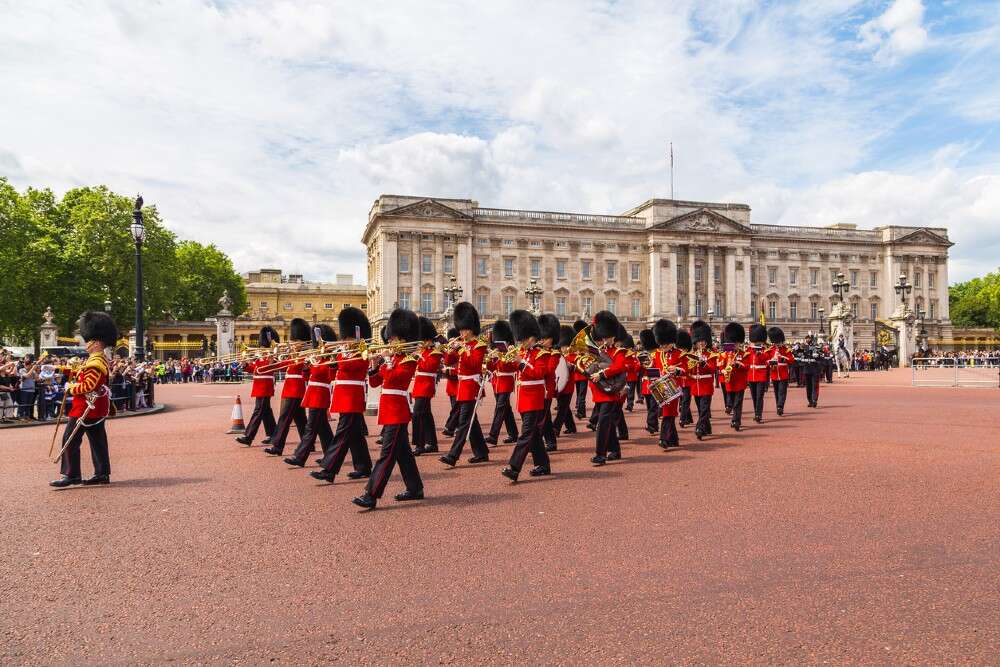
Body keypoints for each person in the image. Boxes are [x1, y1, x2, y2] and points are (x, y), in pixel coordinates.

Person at [351, 308, 424, 510]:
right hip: (390, 409)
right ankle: (415, 488)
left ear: (402, 339)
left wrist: (387, 361)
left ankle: (371, 494)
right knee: (403, 454)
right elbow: (376, 383)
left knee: (387, 455)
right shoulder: (393, 360)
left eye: (393, 339)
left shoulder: (409, 360)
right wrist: (375, 365)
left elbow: (395, 378)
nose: (390, 343)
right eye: (390, 339)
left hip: (397, 411)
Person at [50, 312, 117, 487]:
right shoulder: (97, 359)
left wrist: (70, 388)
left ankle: (71, 475)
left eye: (88, 341)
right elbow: (81, 372)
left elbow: (88, 385)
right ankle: (102, 473)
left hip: (86, 408)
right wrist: (61, 369)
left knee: (70, 439)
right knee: (97, 441)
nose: (86, 344)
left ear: (95, 342)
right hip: (96, 408)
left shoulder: (95, 363)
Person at [308, 308, 374, 479]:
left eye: (347, 338)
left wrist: (337, 356)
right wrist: (331, 361)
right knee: (355, 435)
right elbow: (333, 375)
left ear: (356, 336)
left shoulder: (362, 352)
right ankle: (364, 467)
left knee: (342, 434)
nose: (343, 341)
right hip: (343, 396)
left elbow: (350, 367)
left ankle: (329, 470)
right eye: (343, 338)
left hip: (352, 397)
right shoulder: (345, 353)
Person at [501, 310, 552, 482]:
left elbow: (538, 373)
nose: (521, 342)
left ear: (531, 338)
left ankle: (514, 468)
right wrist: (503, 360)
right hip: (523, 399)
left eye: (523, 339)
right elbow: (509, 369)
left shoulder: (542, 354)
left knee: (526, 434)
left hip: (534, 399)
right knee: (534, 435)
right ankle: (543, 464)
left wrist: (521, 363)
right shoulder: (523, 353)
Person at [440, 302, 490, 467]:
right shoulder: (463, 344)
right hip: (462, 387)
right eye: (460, 329)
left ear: (472, 328)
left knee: (464, 422)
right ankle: (481, 452)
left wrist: (462, 349)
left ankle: (453, 455)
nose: (462, 332)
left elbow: (474, 364)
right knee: (470, 421)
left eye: (465, 329)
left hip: (472, 387)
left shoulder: (479, 345)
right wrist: (451, 350)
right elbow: (448, 362)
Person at [262, 318, 311, 456]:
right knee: (301, 420)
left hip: (296, 389)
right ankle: (309, 444)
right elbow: (283, 368)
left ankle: (277, 446)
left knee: (284, 419)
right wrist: (272, 361)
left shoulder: (306, 354)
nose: (292, 343)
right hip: (290, 388)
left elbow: (298, 367)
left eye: (295, 341)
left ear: (302, 341)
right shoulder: (292, 353)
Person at [589, 311, 627, 466]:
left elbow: (619, 366)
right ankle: (615, 450)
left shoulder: (619, 351)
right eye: (603, 337)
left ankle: (600, 454)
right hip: (600, 391)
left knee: (603, 423)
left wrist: (602, 373)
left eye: (608, 336)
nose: (605, 339)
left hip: (611, 392)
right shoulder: (599, 351)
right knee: (609, 423)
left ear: (613, 335)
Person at [236, 325, 279, 446]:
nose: (261, 347)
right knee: (265, 411)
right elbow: (254, 369)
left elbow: (269, 368)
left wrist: (271, 357)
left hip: (265, 385)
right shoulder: (260, 356)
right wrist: (245, 365)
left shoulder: (272, 356)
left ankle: (248, 436)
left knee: (258, 410)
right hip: (258, 385)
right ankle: (273, 434)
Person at [411, 317, 444, 455]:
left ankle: (419, 444)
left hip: (426, 387)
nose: (421, 343)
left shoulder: (434, 353)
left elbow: (429, 367)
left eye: (423, 340)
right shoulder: (423, 352)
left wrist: (419, 357)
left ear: (429, 340)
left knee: (417, 415)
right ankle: (432, 443)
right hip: (419, 387)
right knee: (426, 415)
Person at [484, 319, 519, 447]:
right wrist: (489, 359)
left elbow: (511, 367)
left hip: (506, 382)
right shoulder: (497, 351)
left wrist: (501, 358)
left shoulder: (512, 351)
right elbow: (492, 368)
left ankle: (493, 435)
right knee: (506, 409)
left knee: (499, 408)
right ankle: (513, 434)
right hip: (496, 382)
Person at [655, 319, 684, 449]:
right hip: (661, 386)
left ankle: (663, 439)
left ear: (671, 341)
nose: (663, 347)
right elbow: (654, 369)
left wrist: (677, 370)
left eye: (666, 344)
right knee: (669, 413)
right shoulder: (657, 354)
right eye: (662, 344)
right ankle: (673, 439)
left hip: (673, 387)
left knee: (667, 413)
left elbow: (686, 370)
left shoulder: (680, 354)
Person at [688, 320, 718, 441]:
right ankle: (707, 428)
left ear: (706, 342)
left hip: (706, 385)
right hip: (695, 385)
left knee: (704, 409)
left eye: (703, 341)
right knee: (701, 409)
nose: (701, 343)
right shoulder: (691, 354)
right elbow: (688, 370)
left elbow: (713, 369)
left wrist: (703, 363)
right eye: (698, 341)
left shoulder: (711, 354)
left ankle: (699, 428)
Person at [537, 314, 561, 452]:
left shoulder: (554, 353)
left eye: (545, 338)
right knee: (544, 418)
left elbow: (549, 369)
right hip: (537, 388)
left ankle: (538, 443)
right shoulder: (539, 351)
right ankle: (551, 442)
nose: (542, 340)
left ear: (552, 338)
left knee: (542, 417)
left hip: (546, 388)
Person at [719, 323, 750, 431]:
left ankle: (736, 421)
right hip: (729, 381)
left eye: (736, 343)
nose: (735, 345)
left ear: (739, 343)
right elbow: (720, 365)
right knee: (731, 402)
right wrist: (722, 370)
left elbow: (747, 366)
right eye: (733, 343)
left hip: (740, 382)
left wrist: (738, 364)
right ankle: (733, 416)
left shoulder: (744, 354)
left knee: (738, 402)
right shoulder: (725, 354)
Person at [552, 325, 578, 437]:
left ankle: (555, 427)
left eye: (566, 346)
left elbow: (576, 367)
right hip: (559, 385)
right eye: (563, 346)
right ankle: (571, 427)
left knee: (562, 408)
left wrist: (571, 366)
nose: (565, 348)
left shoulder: (574, 356)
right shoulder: (559, 356)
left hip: (568, 387)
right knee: (565, 407)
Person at [746, 323, 770, 423]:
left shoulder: (765, 350)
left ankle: (758, 415)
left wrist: (760, 354)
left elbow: (767, 360)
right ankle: (756, 411)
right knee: (754, 396)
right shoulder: (748, 349)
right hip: (751, 375)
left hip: (761, 375)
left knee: (760, 396)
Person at [638, 329, 660, 435]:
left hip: (655, 383)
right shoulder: (643, 354)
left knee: (653, 406)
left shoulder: (658, 353)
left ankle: (651, 425)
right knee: (649, 406)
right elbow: (639, 370)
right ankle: (654, 425)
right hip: (646, 384)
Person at [768, 327, 793, 415]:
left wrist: (783, 357)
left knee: (782, 391)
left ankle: (780, 406)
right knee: (776, 391)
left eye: (778, 342)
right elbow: (766, 360)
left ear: (781, 341)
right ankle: (778, 405)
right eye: (776, 342)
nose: (777, 344)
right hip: (774, 373)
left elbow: (791, 360)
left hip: (783, 374)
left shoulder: (786, 350)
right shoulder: (771, 349)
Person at [796, 333, 822, 408]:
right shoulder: (803, 346)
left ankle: (814, 400)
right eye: (807, 338)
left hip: (814, 368)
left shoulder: (816, 346)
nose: (808, 340)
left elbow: (821, 355)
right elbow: (798, 353)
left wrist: (818, 355)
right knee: (808, 386)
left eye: (809, 338)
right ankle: (810, 400)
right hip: (807, 368)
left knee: (815, 385)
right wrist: (798, 349)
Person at [676, 330, 694, 427]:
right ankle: (688, 418)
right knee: (682, 400)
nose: (681, 350)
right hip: (679, 382)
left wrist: (680, 369)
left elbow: (689, 370)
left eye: (683, 348)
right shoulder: (677, 356)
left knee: (685, 401)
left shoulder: (690, 357)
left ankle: (682, 419)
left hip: (688, 381)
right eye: (680, 348)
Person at [572, 320, 589, 419]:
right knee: (579, 393)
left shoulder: (586, 343)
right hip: (577, 373)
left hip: (583, 373)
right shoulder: (574, 344)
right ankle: (581, 410)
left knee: (582, 395)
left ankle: (581, 412)